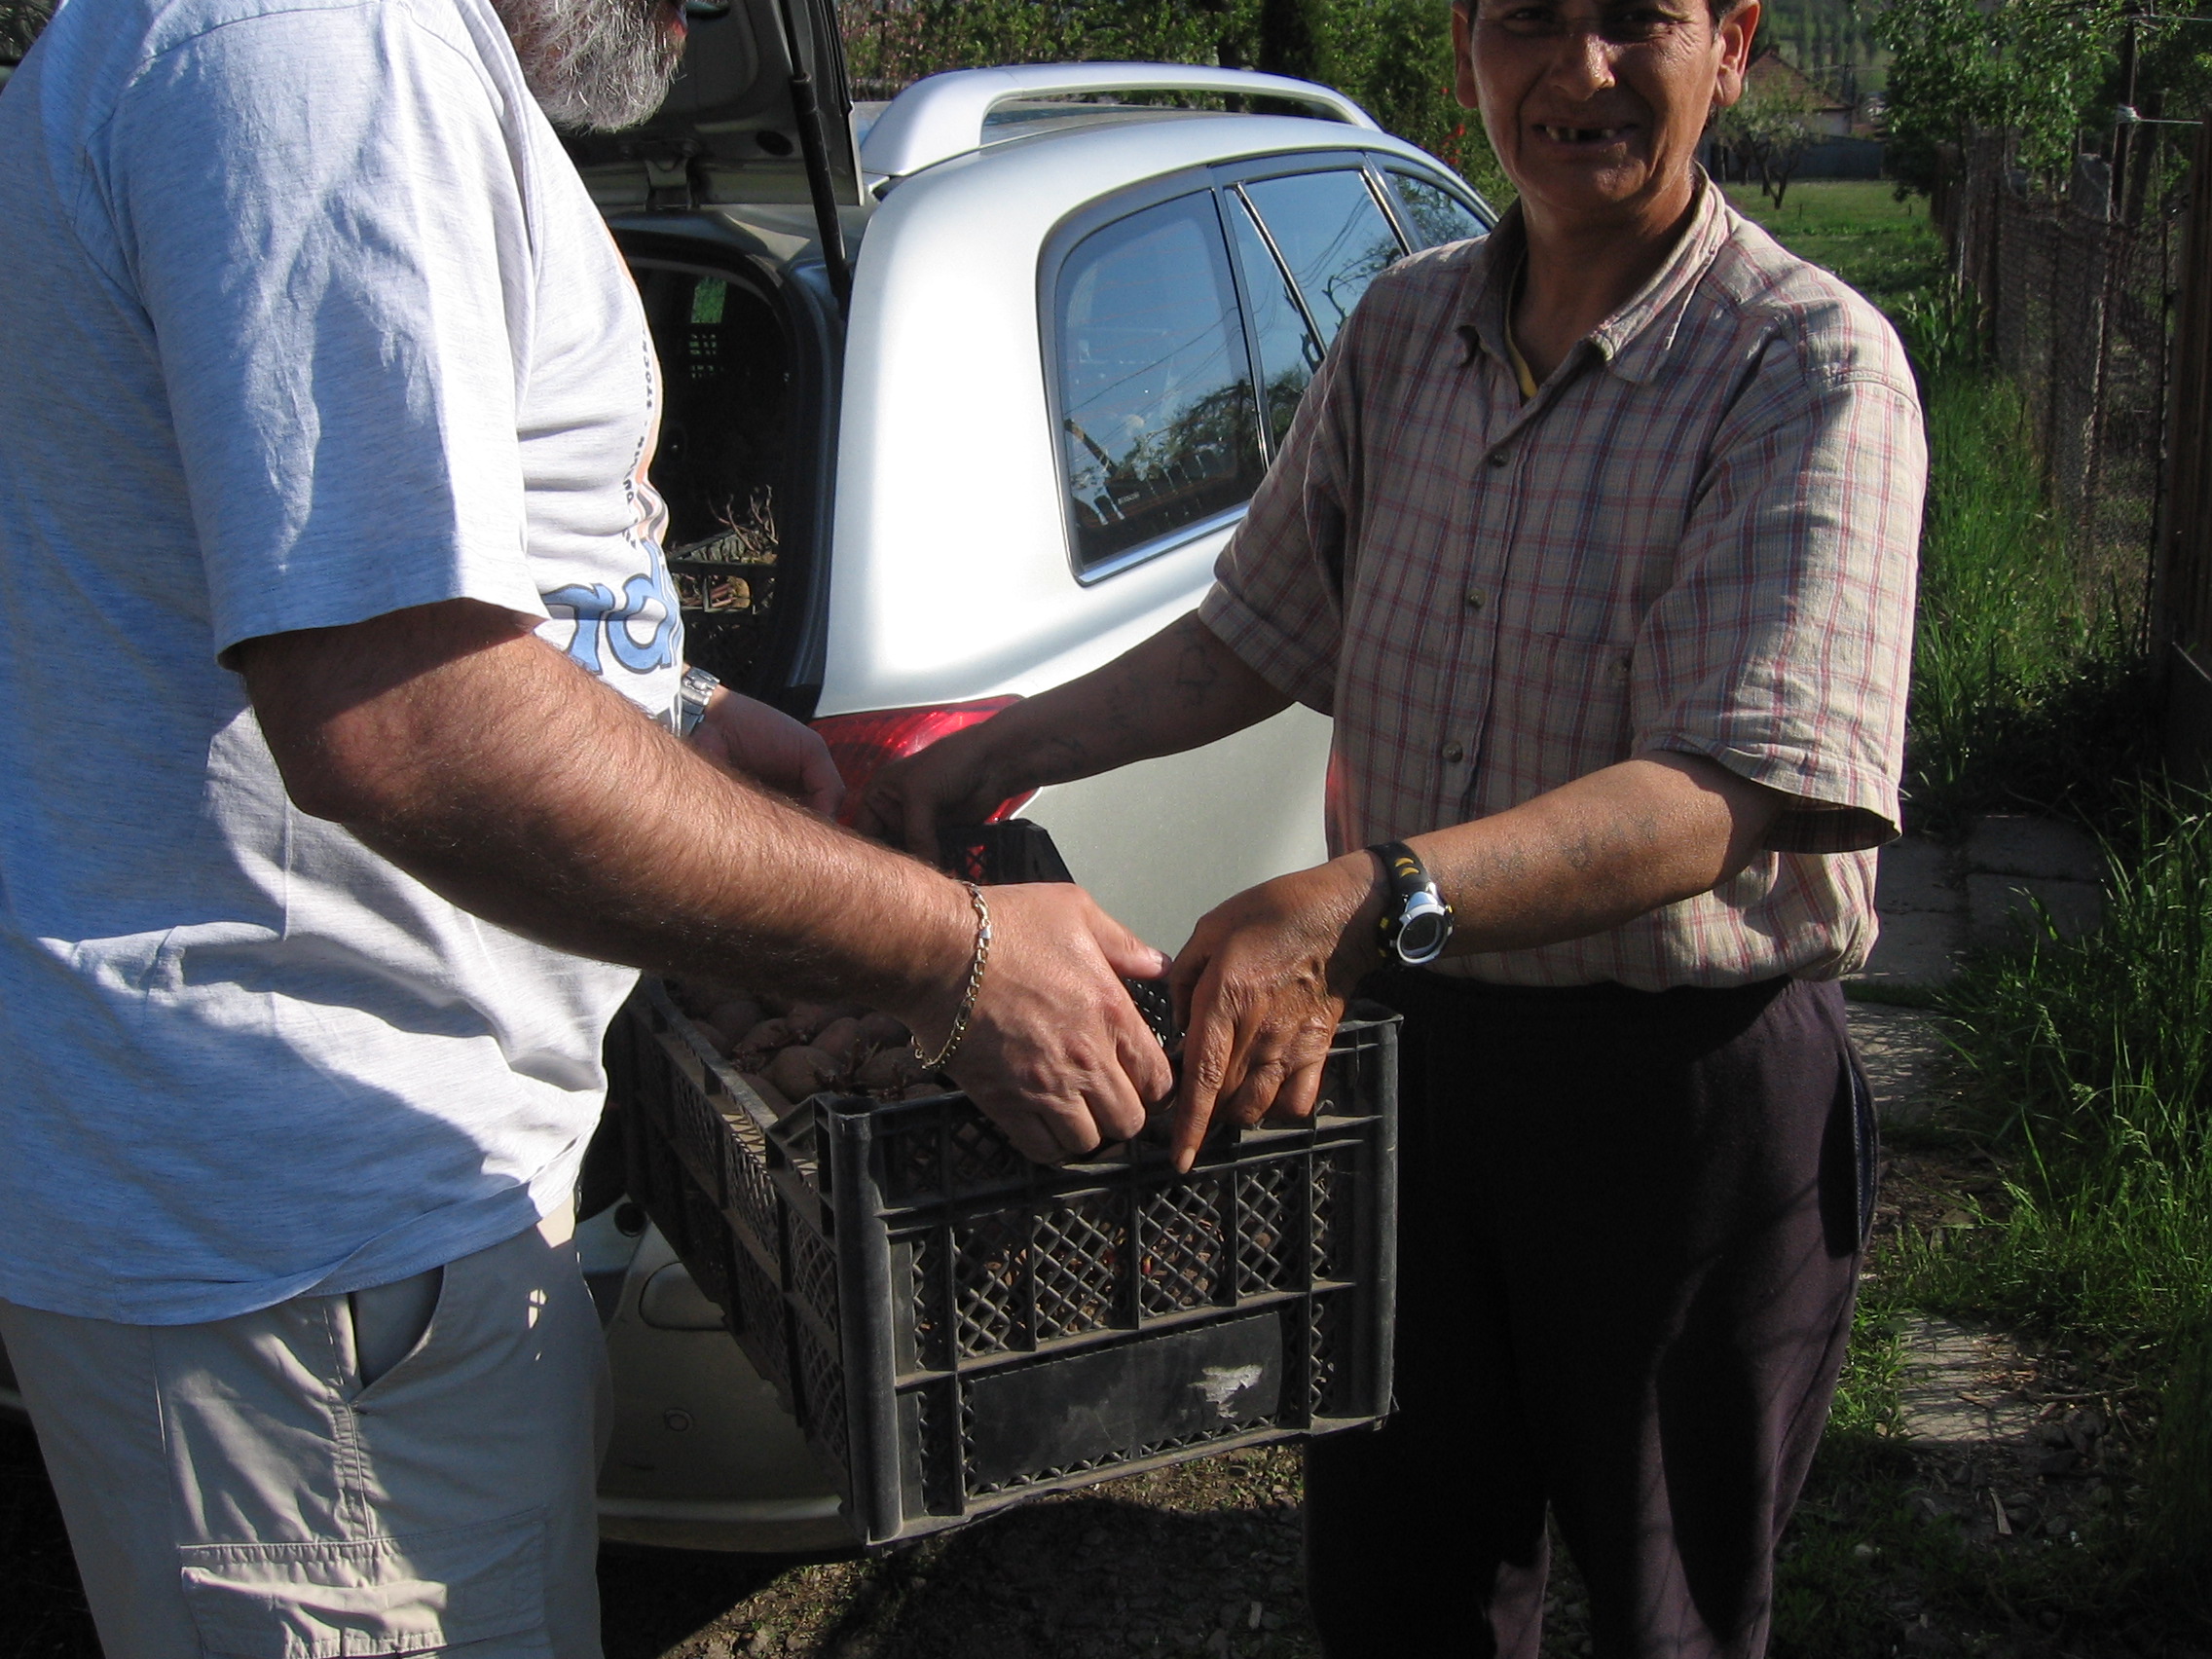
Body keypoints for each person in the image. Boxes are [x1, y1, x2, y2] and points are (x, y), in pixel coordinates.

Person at [0, 0, 1173, 1651]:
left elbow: (363, 581)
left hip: (358, 1234)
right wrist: (955, 956)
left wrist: (670, 707)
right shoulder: (321, 45)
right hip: (310, 1246)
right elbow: (408, 722)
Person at [862, 0, 1926, 1652]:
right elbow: (1248, 636)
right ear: (1464, 45)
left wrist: (1364, 902)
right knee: (1404, 1577)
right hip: (1413, 1077)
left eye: (1634, 19)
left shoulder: (1802, 365)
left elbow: (1730, 791)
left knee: (1671, 1607)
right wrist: (989, 757)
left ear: (1731, 45)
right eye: (1528, 19)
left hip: (1678, 1096)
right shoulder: (1406, 326)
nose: (1577, 71)